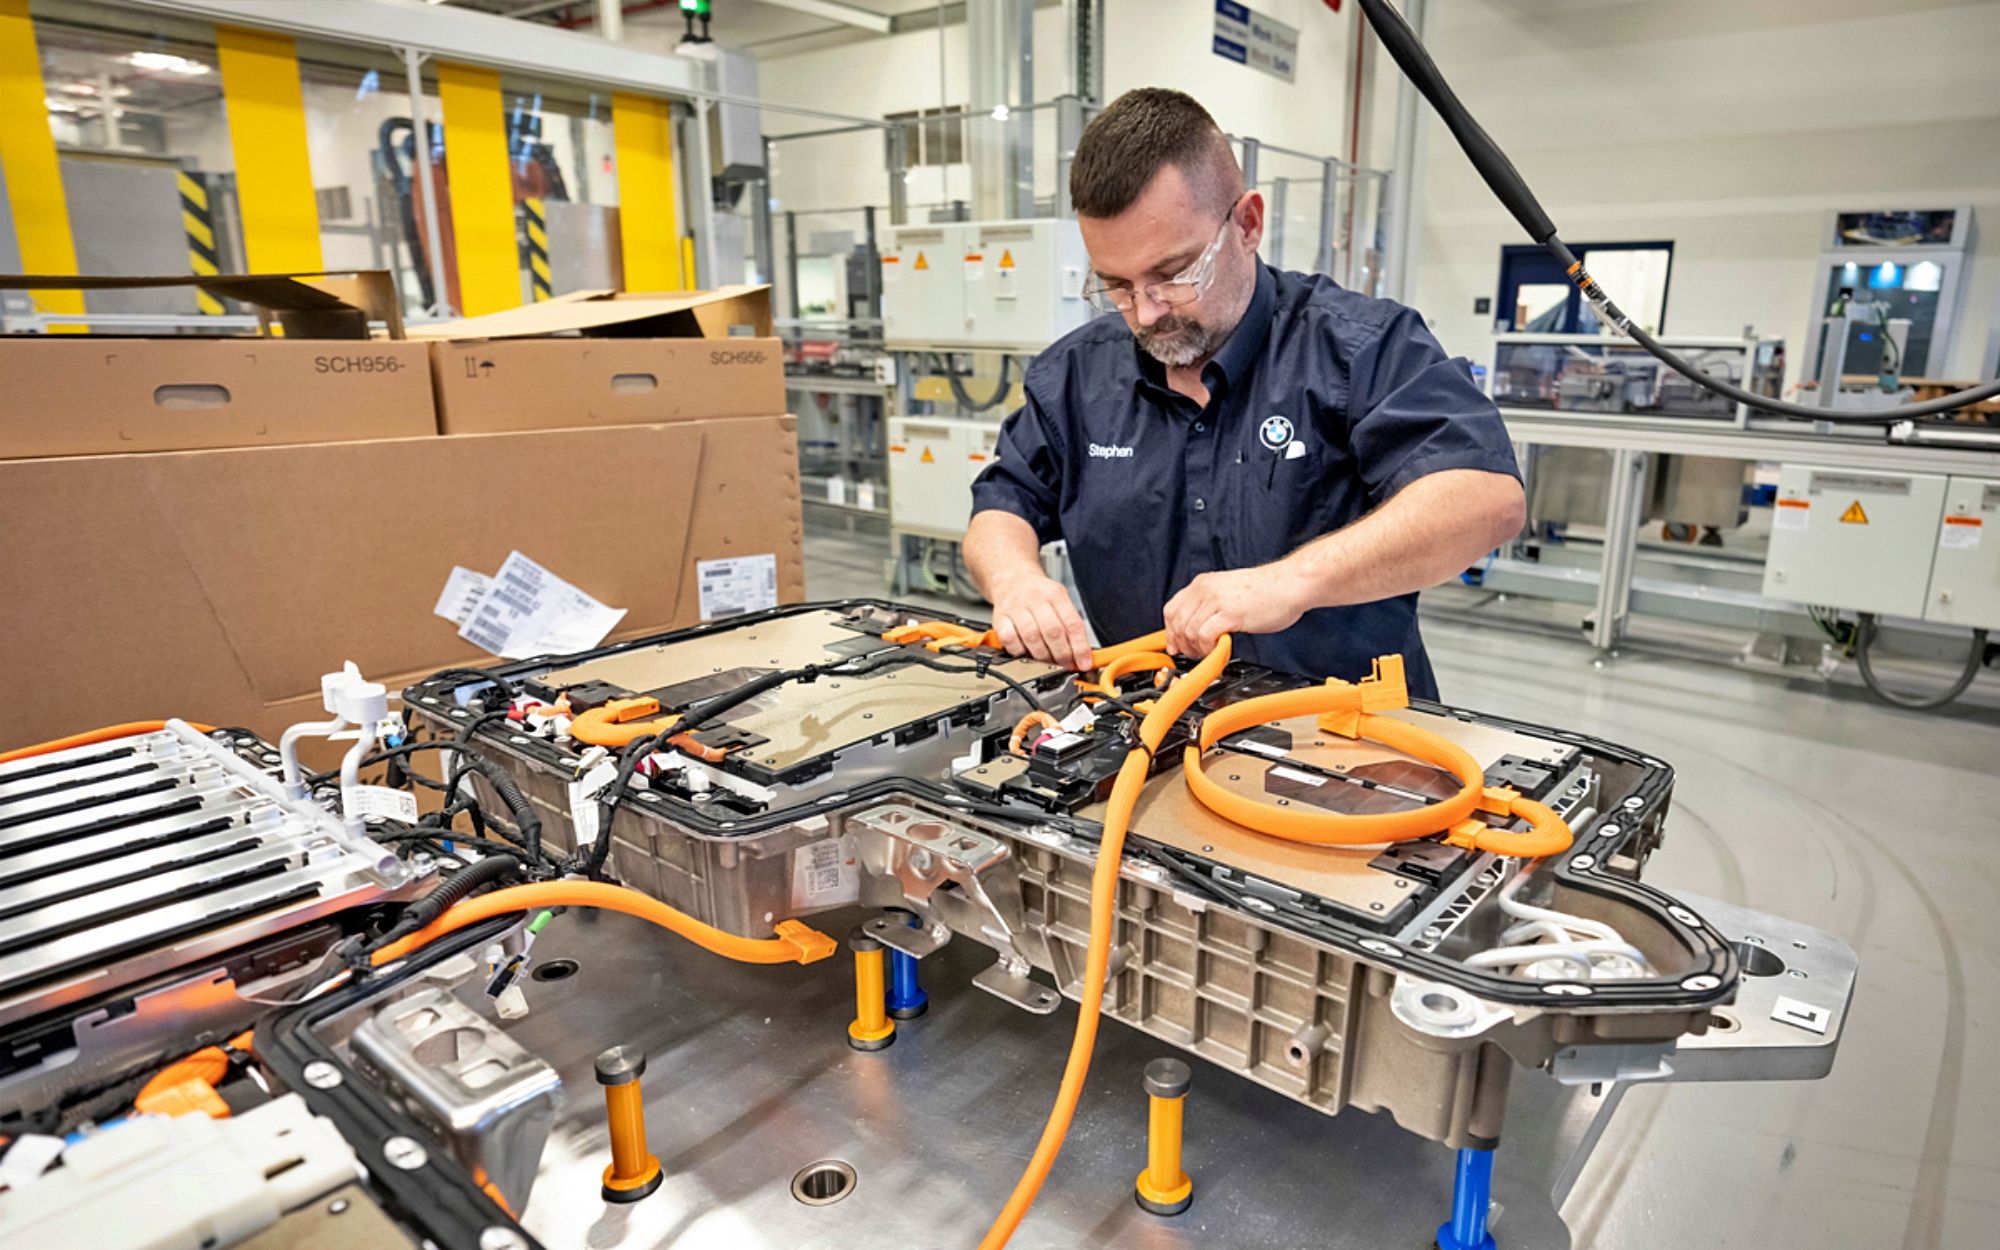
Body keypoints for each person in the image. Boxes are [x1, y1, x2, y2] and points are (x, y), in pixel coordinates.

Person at [963, 87, 1525, 700]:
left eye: (1174, 275)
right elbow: (1004, 501)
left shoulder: (1358, 348)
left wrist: (1293, 581)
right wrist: (1016, 580)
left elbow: (1485, 498)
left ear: (1248, 224)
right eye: (1117, 286)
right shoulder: (1074, 377)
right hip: (1154, 729)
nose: (1146, 314)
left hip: (1350, 735)